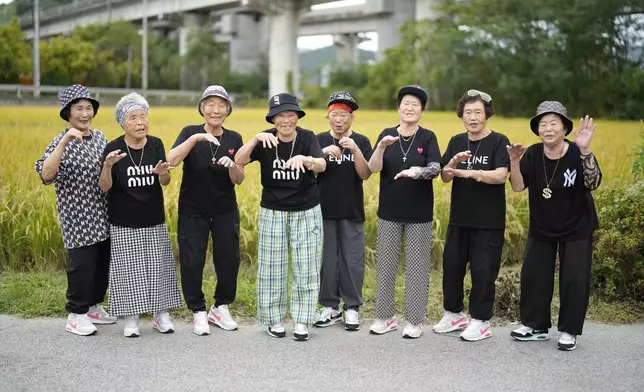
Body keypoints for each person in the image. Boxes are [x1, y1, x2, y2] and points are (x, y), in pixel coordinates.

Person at [507, 101, 601, 351]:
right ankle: (535, 326)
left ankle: (570, 330)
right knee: (533, 276)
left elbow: (593, 183)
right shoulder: (534, 154)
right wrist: (515, 162)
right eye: (543, 124)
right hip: (542, 225)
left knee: (574, 279)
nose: (548, 129)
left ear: (565, 128)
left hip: (577, 226)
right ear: (538, 129)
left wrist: (586, 151)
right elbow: (517, 186)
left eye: (553, 124)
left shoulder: (577, 151)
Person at [235, 93, 327, 341]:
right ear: (273, 119)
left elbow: (322, 165)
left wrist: (305, 159)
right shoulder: (265, 139)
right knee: (272, 267)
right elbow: (239, 160)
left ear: (297, 116)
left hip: (306, 210)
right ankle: (273, 319)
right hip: (273, 211)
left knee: (306, 267)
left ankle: (302, 320)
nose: (286, 120)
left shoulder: (307, 137)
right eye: (280, 116)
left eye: (290, 115)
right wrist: (254, 140)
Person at [34, 84, 117, 336]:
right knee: (82, 267)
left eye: (88, 108)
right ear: (68, 113)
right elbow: (46, 175)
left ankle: (92, 307)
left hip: (102, 214)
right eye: (78, 108)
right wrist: (64, 142)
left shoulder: (100, 137)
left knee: (101, 265)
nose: (84, 113)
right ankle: (76, 314)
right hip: (77, 218)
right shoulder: (62, 140)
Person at [98, 92, 182, 337]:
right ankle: (132, 317)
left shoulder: (155, 144)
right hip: (123, 220)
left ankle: (160, 314)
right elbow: (105, 187)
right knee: (127, 269)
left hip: (153, 217)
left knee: (158, 267)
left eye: (143, 117)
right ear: (123, 123)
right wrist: (107, 166)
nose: (140, 122)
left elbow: (165, 181)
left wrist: (163, 172)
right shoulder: (113, 148)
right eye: (133, 118)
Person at [432, 90, 510, 341]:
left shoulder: (498, 141)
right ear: (461, 115)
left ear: (487, 114)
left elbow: (501, 175)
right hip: (459, 219)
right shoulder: (456, 141)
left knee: (483, 271)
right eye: (468, 113)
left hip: (488, 222)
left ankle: (480, 320)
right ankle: (454, 314)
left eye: (478, 112)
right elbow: (445, 176)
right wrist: (453, 164)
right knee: (452, 268)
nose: (473, 117)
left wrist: (472, 173)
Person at [167, 86, 245, 336]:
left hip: (225, 209)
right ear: (201, 108)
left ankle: (220, 306)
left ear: (228, 110)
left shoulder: (234, 138)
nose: (215, 110)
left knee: (229, 260)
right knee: (192, 260)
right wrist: (196, 139)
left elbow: (239, 178)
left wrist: (233, 165)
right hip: (193, 209)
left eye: (221, 105)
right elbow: (171, 160)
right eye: (210, 104)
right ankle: (198, 310)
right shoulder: (189, 132)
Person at [367, 85, 441, 339]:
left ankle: (414, 321)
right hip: (389, 211)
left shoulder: (427, 137)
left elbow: (435, 167)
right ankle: (385, 318)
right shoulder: (386, 134)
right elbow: (373, 168)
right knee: (386, 266)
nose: (410, 108)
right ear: (398, 107)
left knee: (417, 267)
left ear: (423, 109)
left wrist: (416, 172)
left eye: (415, 104)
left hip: (419, 213)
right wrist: (380, 148)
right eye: (406, 103)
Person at [313, 91, 372, 331]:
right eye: (334, 114)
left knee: (352, 261)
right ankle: (330, 307)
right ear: (328, 116)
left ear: (352, 117)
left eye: (344, 115)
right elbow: (310, 171)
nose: (339, 120)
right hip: (322, 210)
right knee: (326, 262)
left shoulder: (362, 141)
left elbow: (365, 173)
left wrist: (356, 150)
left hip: (351, 211)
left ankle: (351, 308)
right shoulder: (316, 139)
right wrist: (323, 153)